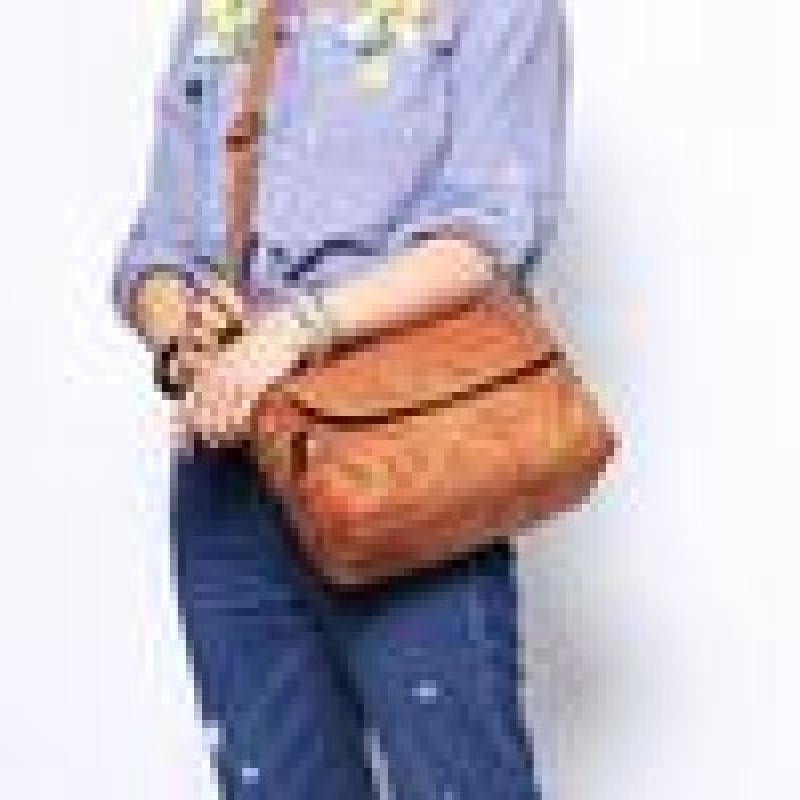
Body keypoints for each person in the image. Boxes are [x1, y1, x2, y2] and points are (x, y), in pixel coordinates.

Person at [112, 0, 569, 796]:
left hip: (407, 460)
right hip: (235, 466)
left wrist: (292, 332)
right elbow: (158, 247)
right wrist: (186, 340)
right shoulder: (223, 12)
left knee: (458, 779)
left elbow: (487, 234)